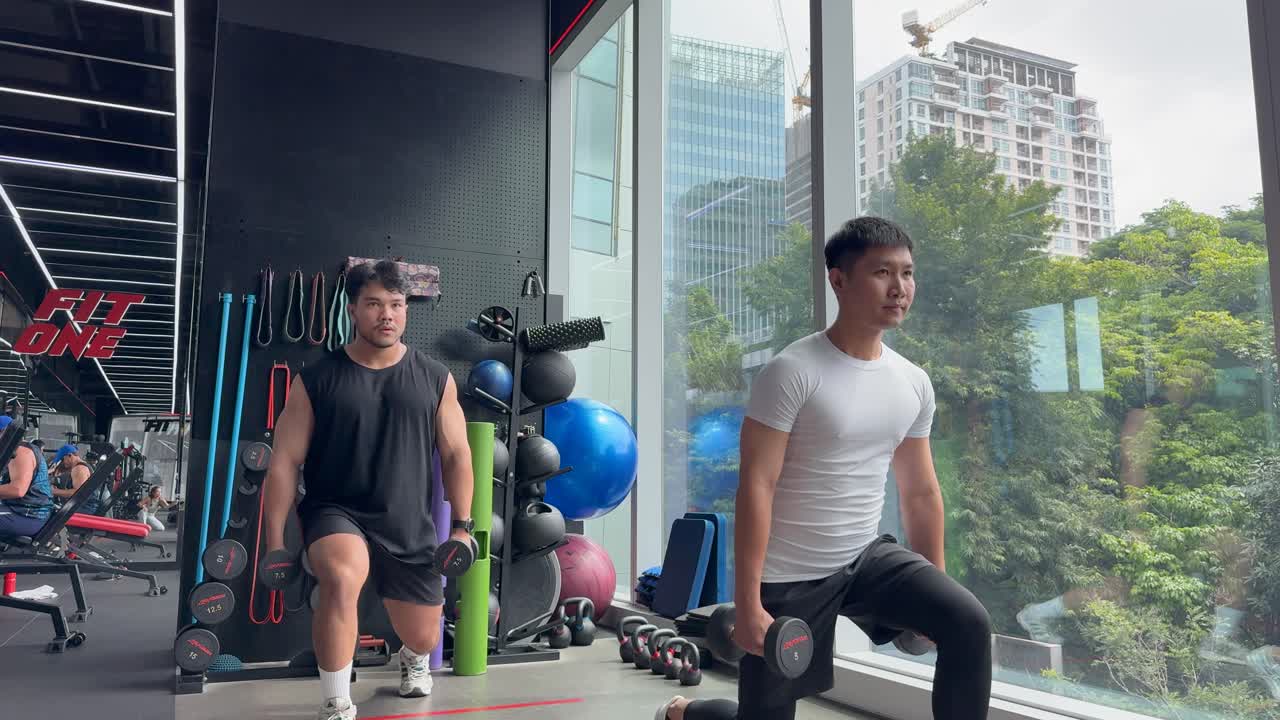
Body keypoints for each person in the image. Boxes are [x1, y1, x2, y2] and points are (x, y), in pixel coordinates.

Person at [657, 217, 992, 720]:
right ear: (839, 279)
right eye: (882, 272)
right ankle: (687, 712)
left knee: (966, 619)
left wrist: (933, 592)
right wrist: (747, 602)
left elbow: (920, 492)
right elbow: (756, 484)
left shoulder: (913, 382)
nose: (899, 288)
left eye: (907, 273)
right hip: (790, 575)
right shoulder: (793, 371)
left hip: (866, 558)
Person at [263, 259, 474, 720]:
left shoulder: (435, 378)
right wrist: (275, 541)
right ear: (353, 309)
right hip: (335, 510)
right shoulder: (316, 379)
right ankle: (336, 701)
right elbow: (284, 462)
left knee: (423, 636)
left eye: (396, 305)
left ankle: (412, 658)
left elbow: (458, 454)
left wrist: (462, 527)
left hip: (405, 518)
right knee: (341, 578)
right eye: (374, 304)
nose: (387, 315)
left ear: (406, 311)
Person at [0, 415, 54, 541]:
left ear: (3, 432)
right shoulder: (11, 451)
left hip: (27, 516)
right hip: (19, 511)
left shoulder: (20, 452)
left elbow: (17, 490)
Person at [49, 444, 104, 515]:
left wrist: (53, 491)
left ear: (70, 455)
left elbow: (77, 493)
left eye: (63, 459)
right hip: (84, 507)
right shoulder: (80, 466)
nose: (63, 463)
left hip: (85, 509)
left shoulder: (79, 468)